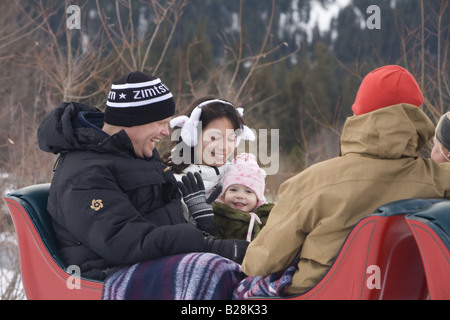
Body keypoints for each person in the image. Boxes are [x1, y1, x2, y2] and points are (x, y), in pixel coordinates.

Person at [240, 65, 450, 296]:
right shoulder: (438, 179)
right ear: (416, 119)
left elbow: (260, 262)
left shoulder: (312, 182)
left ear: (361, 114)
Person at [37, 71, 249, 284]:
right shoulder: (84, 174)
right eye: (160, 123)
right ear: (133, 120)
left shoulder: (134, 153)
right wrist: (210, 247)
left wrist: (206, 227)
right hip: (111, 278)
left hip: (153, 263)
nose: (166, 132)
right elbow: (127, 241)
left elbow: (165, 220)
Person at [164, 97, 255, 234]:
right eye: (214, 138)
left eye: (231, 139)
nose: (224, 147)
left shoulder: (239, 177)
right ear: (192, 135)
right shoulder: (168, 180)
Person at [213, 153, 274, 241]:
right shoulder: (217, 216)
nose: (240, 196)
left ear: (258, 199)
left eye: (248, 191)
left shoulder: (265, 218)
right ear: (223, 194)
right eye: (233, 190)